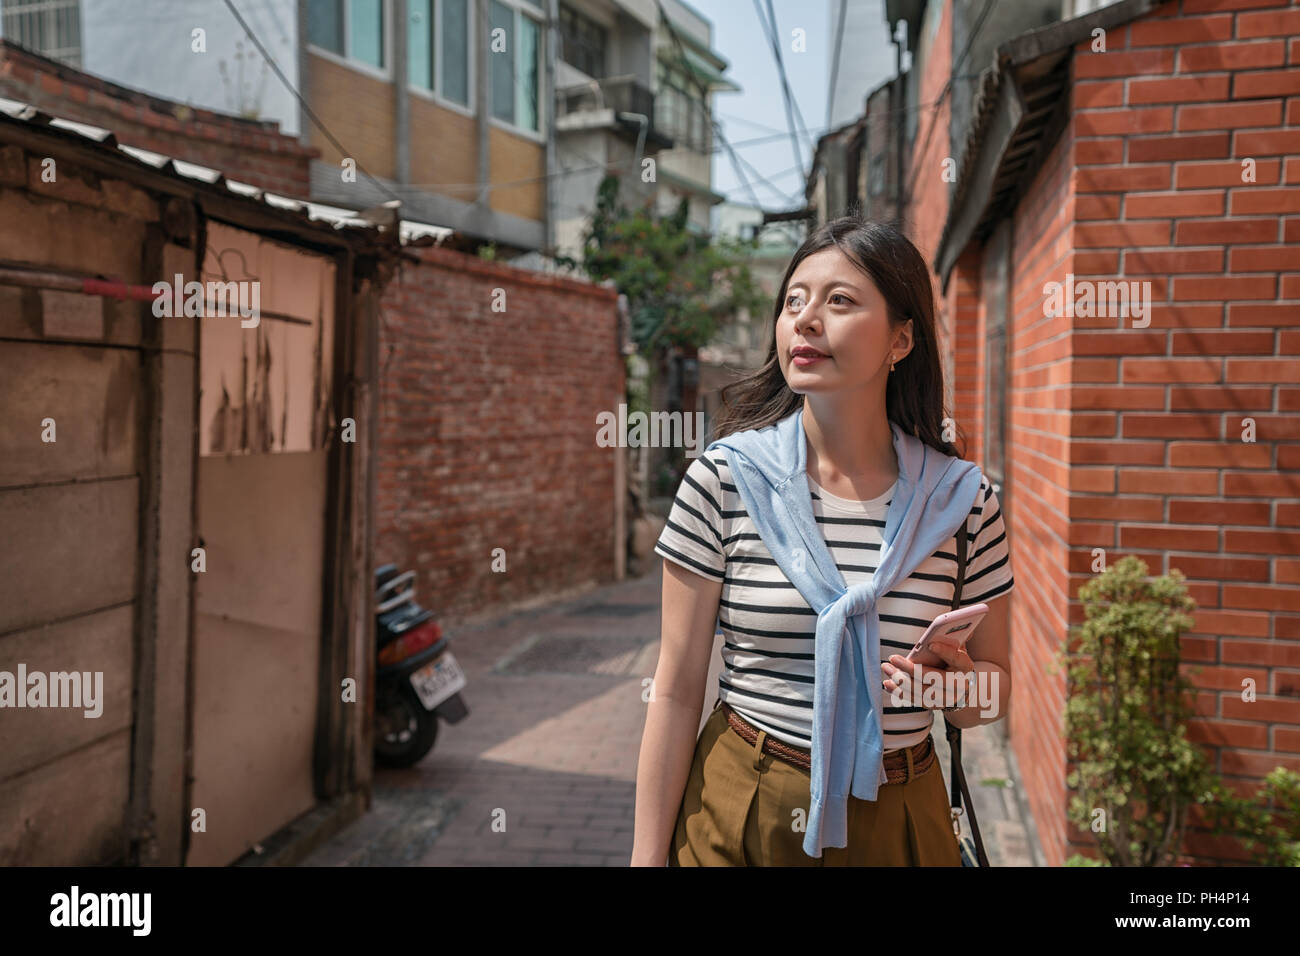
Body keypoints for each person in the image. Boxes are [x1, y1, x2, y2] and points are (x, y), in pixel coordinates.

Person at [630, 216, 1015, 866]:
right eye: (793, 300)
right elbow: (673, 689)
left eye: (839, 301)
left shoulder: (963, 501)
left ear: (901, 338)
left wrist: (950, 691)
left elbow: (995, 694)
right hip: (740, 799)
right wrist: (645, 860)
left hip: (899, 813)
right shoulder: (724, 480)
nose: (805, 319)